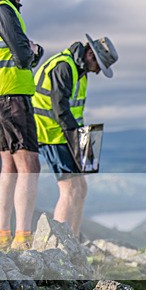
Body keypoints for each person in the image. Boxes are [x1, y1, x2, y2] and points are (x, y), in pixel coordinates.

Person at [33, 34, 118, 237]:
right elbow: (60, 110)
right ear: (90, 54)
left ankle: (73, 239)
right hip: (50, 134)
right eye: (99, 65)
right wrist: (77, 143)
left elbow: (74, 111)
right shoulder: (64, 66)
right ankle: (58, 242)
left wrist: (83, 143)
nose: (98, 71)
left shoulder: (79, 72)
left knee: (81, 188)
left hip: (65, 134)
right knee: (70, 188)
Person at [0, 0, 42, 251]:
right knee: (30, 166)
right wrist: (35, 50)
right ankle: (23, 239)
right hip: (13, 96)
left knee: (10, 167)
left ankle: (4, 236)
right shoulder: (5, 9)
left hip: (4, 97)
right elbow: (23, 56)